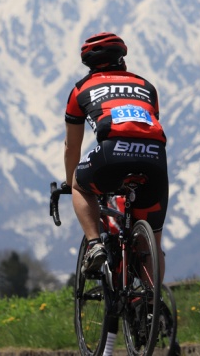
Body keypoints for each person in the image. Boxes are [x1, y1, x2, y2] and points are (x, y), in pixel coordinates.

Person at [63, 32, 169, 277]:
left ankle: (94, 245)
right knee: (151, 244)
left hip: (113, 152)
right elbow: (143, 130)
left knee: (80, 184)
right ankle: (153, 305)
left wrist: (70, 183)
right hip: (154, 158)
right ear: (122, 60)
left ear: (89, 65)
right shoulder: (147, 87)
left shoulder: (80, 89)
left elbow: (72, 147)